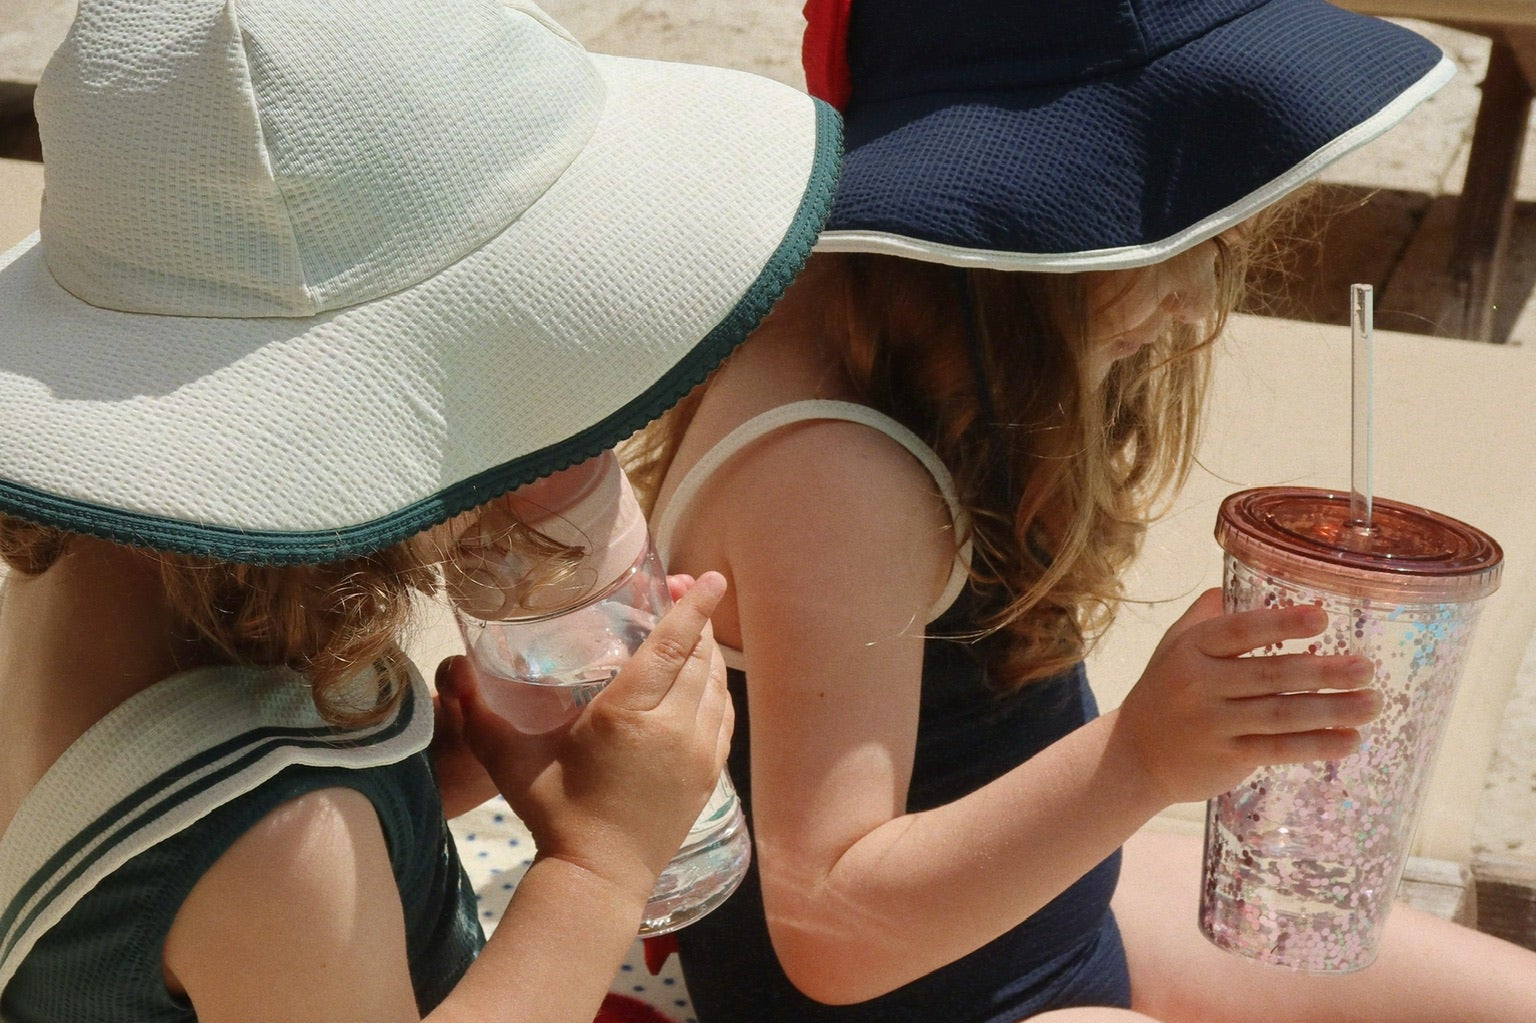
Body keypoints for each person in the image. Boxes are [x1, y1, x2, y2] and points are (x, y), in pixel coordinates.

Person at [621, 1, 1536, 1020]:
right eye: (1145, 218)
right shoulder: (837, 472)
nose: (1196, 295)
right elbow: (830, 924)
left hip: (1041, 916)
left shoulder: (934, 335)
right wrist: (1140, 758)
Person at [0, 0, 839, 1019]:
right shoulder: (284, 843)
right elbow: (251, 879)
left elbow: (184, 897)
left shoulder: (118, 586)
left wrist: (416, 780)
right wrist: (600, 866)